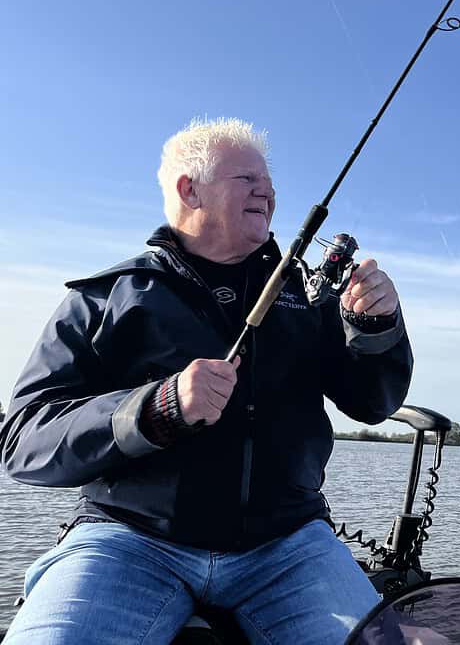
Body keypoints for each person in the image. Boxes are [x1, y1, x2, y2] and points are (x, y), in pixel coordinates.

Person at [0, 118, 413, 643]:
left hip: (290, 543)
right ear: (188, 188)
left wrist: (375, 328)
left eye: (271, 185)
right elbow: (25, 440)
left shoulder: (309, 297)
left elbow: (373, 402)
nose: (268, 192)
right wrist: (154, 408)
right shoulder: (104, 299)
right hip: (128, 540)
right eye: (247, 179)